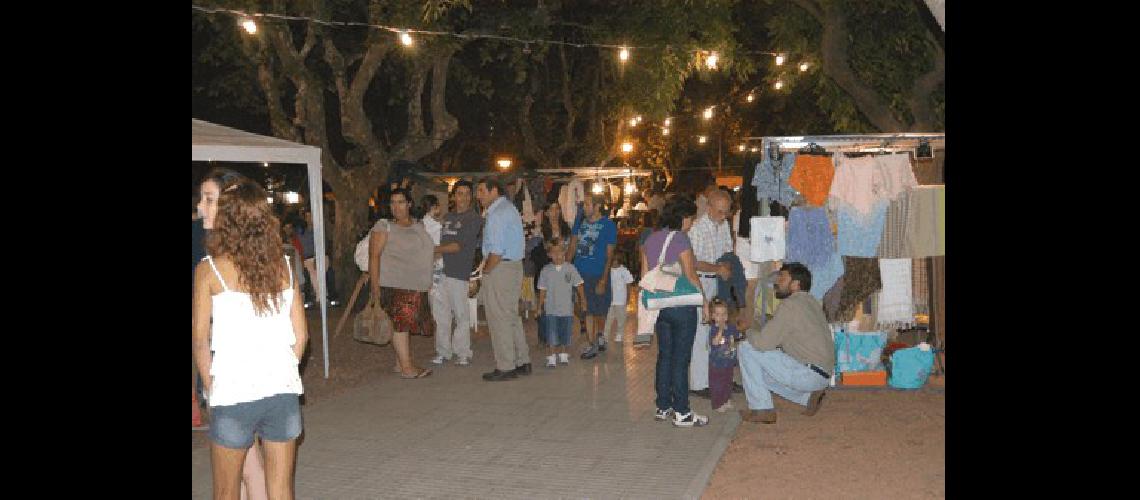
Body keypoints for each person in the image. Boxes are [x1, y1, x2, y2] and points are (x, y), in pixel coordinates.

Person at [193, 169, 307, 499]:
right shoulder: (284, 264)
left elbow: (200, 341)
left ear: (231, 212)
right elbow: (301, 336)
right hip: (282, 394)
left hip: (234, 395)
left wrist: (214, 390)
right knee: (281, 490)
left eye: (208, 200)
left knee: (226, 493)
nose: (200, 206)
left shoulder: (209, 269)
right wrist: (282, 371)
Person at [640, 197, 711, 427]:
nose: (691, 222)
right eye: (690, 218)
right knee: (681, 359)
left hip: (660, 307)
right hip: (681, 306)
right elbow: (691, 275)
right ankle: (682, 412)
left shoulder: (650, 239)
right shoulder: (681, 239)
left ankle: (663, 406)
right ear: (682, 218)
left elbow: (645, 276)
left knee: (665, 355)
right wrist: (705, 303)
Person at [738, 262, 833, 424]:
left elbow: (762, 343)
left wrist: (746, 330)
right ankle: (808, 397)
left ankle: (762, 409)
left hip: (808, 373)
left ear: (796, 285)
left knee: (746, 347)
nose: (777, 282)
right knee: (760, 371)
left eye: (782, 278)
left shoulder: (790, 305)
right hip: (822, 375)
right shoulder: (812, 302)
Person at [367, 188, 436, 379]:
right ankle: (407, 367)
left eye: (400, 202)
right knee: (400, 326)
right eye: (393, 202)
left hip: (415, 286)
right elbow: (374, 257)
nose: (396, 206)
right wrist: (375, 289)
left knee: (406, 325)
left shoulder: (417, 225)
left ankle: (400, 363)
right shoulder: (384, 226)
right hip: (394, 284)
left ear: (409, 204)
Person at [475, 178, 530, 381]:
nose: (478, 195)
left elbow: (496, 251)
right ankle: (522, 360)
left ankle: (506, 365)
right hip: (513, 266)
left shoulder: (497, 214)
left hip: (501, 268)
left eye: (481, 190)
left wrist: (486, 272)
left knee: (499, 318)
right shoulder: (508, 208)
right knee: (510, 316)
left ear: (493, 191)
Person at [686, 188, 735, 399]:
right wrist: (717, 269)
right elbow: (693, 263)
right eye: (720, 211)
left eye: (726, 212)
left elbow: (727, 252)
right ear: (709, 207)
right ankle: (698, 383)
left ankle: (721, 377)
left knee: (721, 329)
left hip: (718, 283)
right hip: (701, 282)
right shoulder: (697, 229)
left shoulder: (723, 225)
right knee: (701, 332)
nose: (723, 216)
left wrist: (726, 267)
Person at [432, 181, 483, 366]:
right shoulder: (447, 217)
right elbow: (443, 242)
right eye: (460, 193)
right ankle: (443, 351)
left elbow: (457, 246)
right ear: (453, 196)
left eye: (467, 193)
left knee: (461, 315)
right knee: (441, 314)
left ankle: (463, 352)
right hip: (441, 273)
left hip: (459, 273)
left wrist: (432, 249)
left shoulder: (474, 219)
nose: (463, 197)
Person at [566, 194, 618, 360]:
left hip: (598, 273)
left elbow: (609, 255)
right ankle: (592, 343)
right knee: (585, 309)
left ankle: (600, 335)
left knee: (600, 309)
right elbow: (573, 245)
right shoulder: (579, 222)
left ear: (597, 207)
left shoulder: (608, 225)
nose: (583, 208)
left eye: (587, 205)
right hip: (581, 273)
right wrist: (565, 267)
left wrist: (603, 279)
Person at [535, 237, 587, 368]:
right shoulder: (546, 270)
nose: (557, 255)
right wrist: (539, 307)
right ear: (549, 254)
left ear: (565, 252)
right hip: (551, 309)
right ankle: (551, 356)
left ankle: (564, 354)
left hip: (567, 309)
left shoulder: (571, 269)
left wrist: (583, 301)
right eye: (553, 253)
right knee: (551, 334)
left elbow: (579, 285)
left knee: (566, 333)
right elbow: (542, 290)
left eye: (560, 252)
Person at [707, 298, 744, 413]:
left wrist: (741, 331)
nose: (721, 317)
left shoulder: (731, 328)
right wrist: (721, 330)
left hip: (728, 362)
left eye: (724, 314)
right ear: (713, 317)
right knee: (717, 384)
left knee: (728, 382)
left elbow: (738, 336)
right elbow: (715, 342)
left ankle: (726, 399)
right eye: (718, 315)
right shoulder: (714, 329)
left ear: (727, 316)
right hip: (717, 364)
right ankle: (718, 403)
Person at [603, 253, 635, 344]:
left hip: (621, 300)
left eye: (614, 261)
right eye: (611, 261)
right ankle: (605, 336)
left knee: (621, 319)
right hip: (610, 300)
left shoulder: (624, 270)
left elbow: (629, 284)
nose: (612, 263)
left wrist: (628, 297)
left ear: (619, 261)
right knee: (608, 319)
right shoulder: (608, 270)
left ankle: (619, 334)